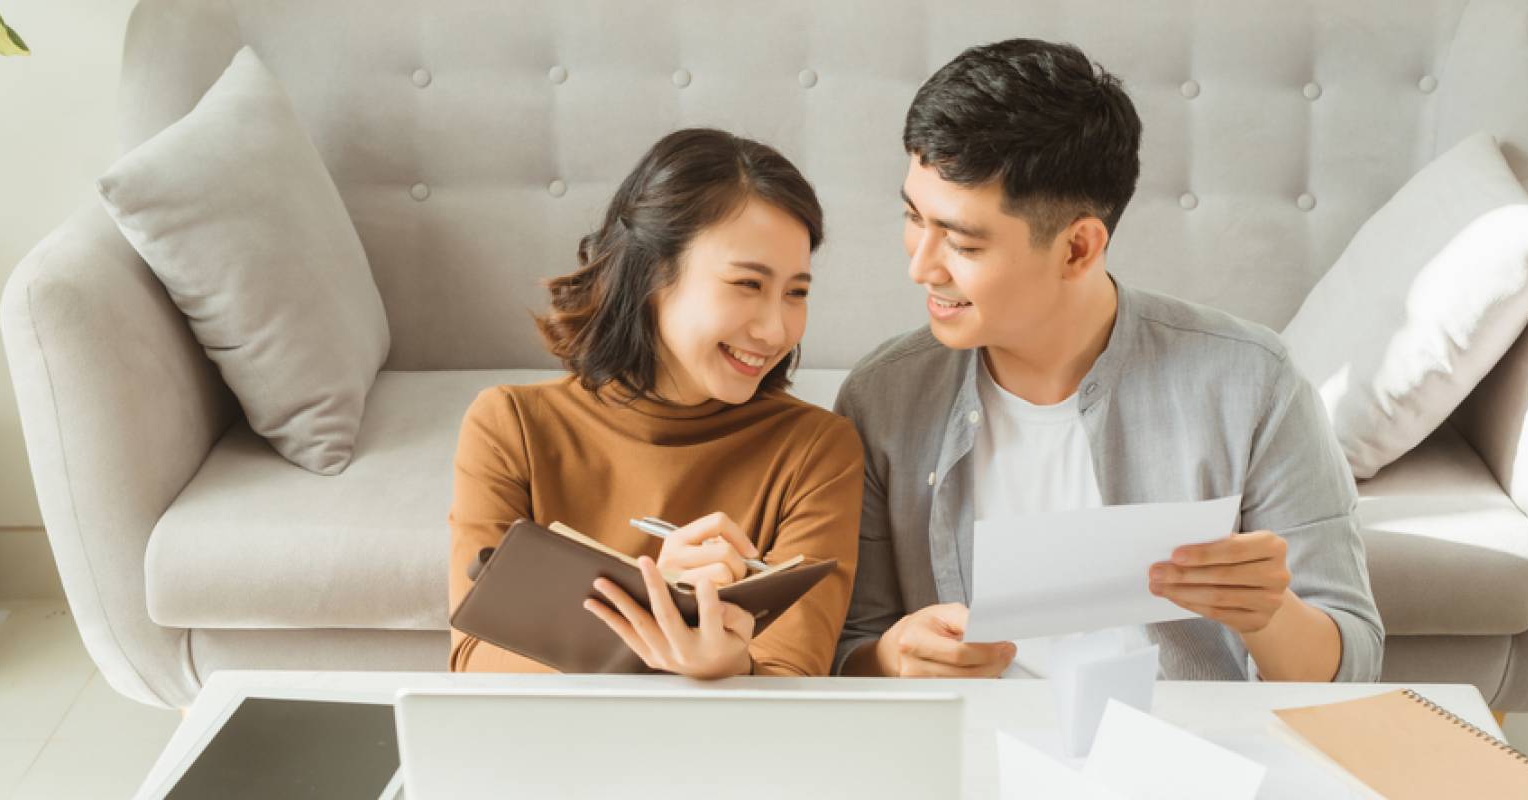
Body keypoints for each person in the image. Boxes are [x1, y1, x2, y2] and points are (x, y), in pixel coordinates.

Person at [834, 40, 1384, 682]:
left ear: (1077, 249)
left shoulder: (1252, 382)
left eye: (961, 243)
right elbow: (848, 646)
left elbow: (1355, 664)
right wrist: (891, 656)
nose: (920, 265)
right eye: (912, 218)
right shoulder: (884, 398)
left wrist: (1268, 615)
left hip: (1184, 761)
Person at [448, 128, 863, 679]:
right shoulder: (511, 425)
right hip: (555, 753)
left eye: (797, 292)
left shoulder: (816, 450)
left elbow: (793, 677)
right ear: (651, 277)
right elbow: (474, 661)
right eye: (747, 284)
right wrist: (652, 616)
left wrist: (729, 667)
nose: (775, 328)